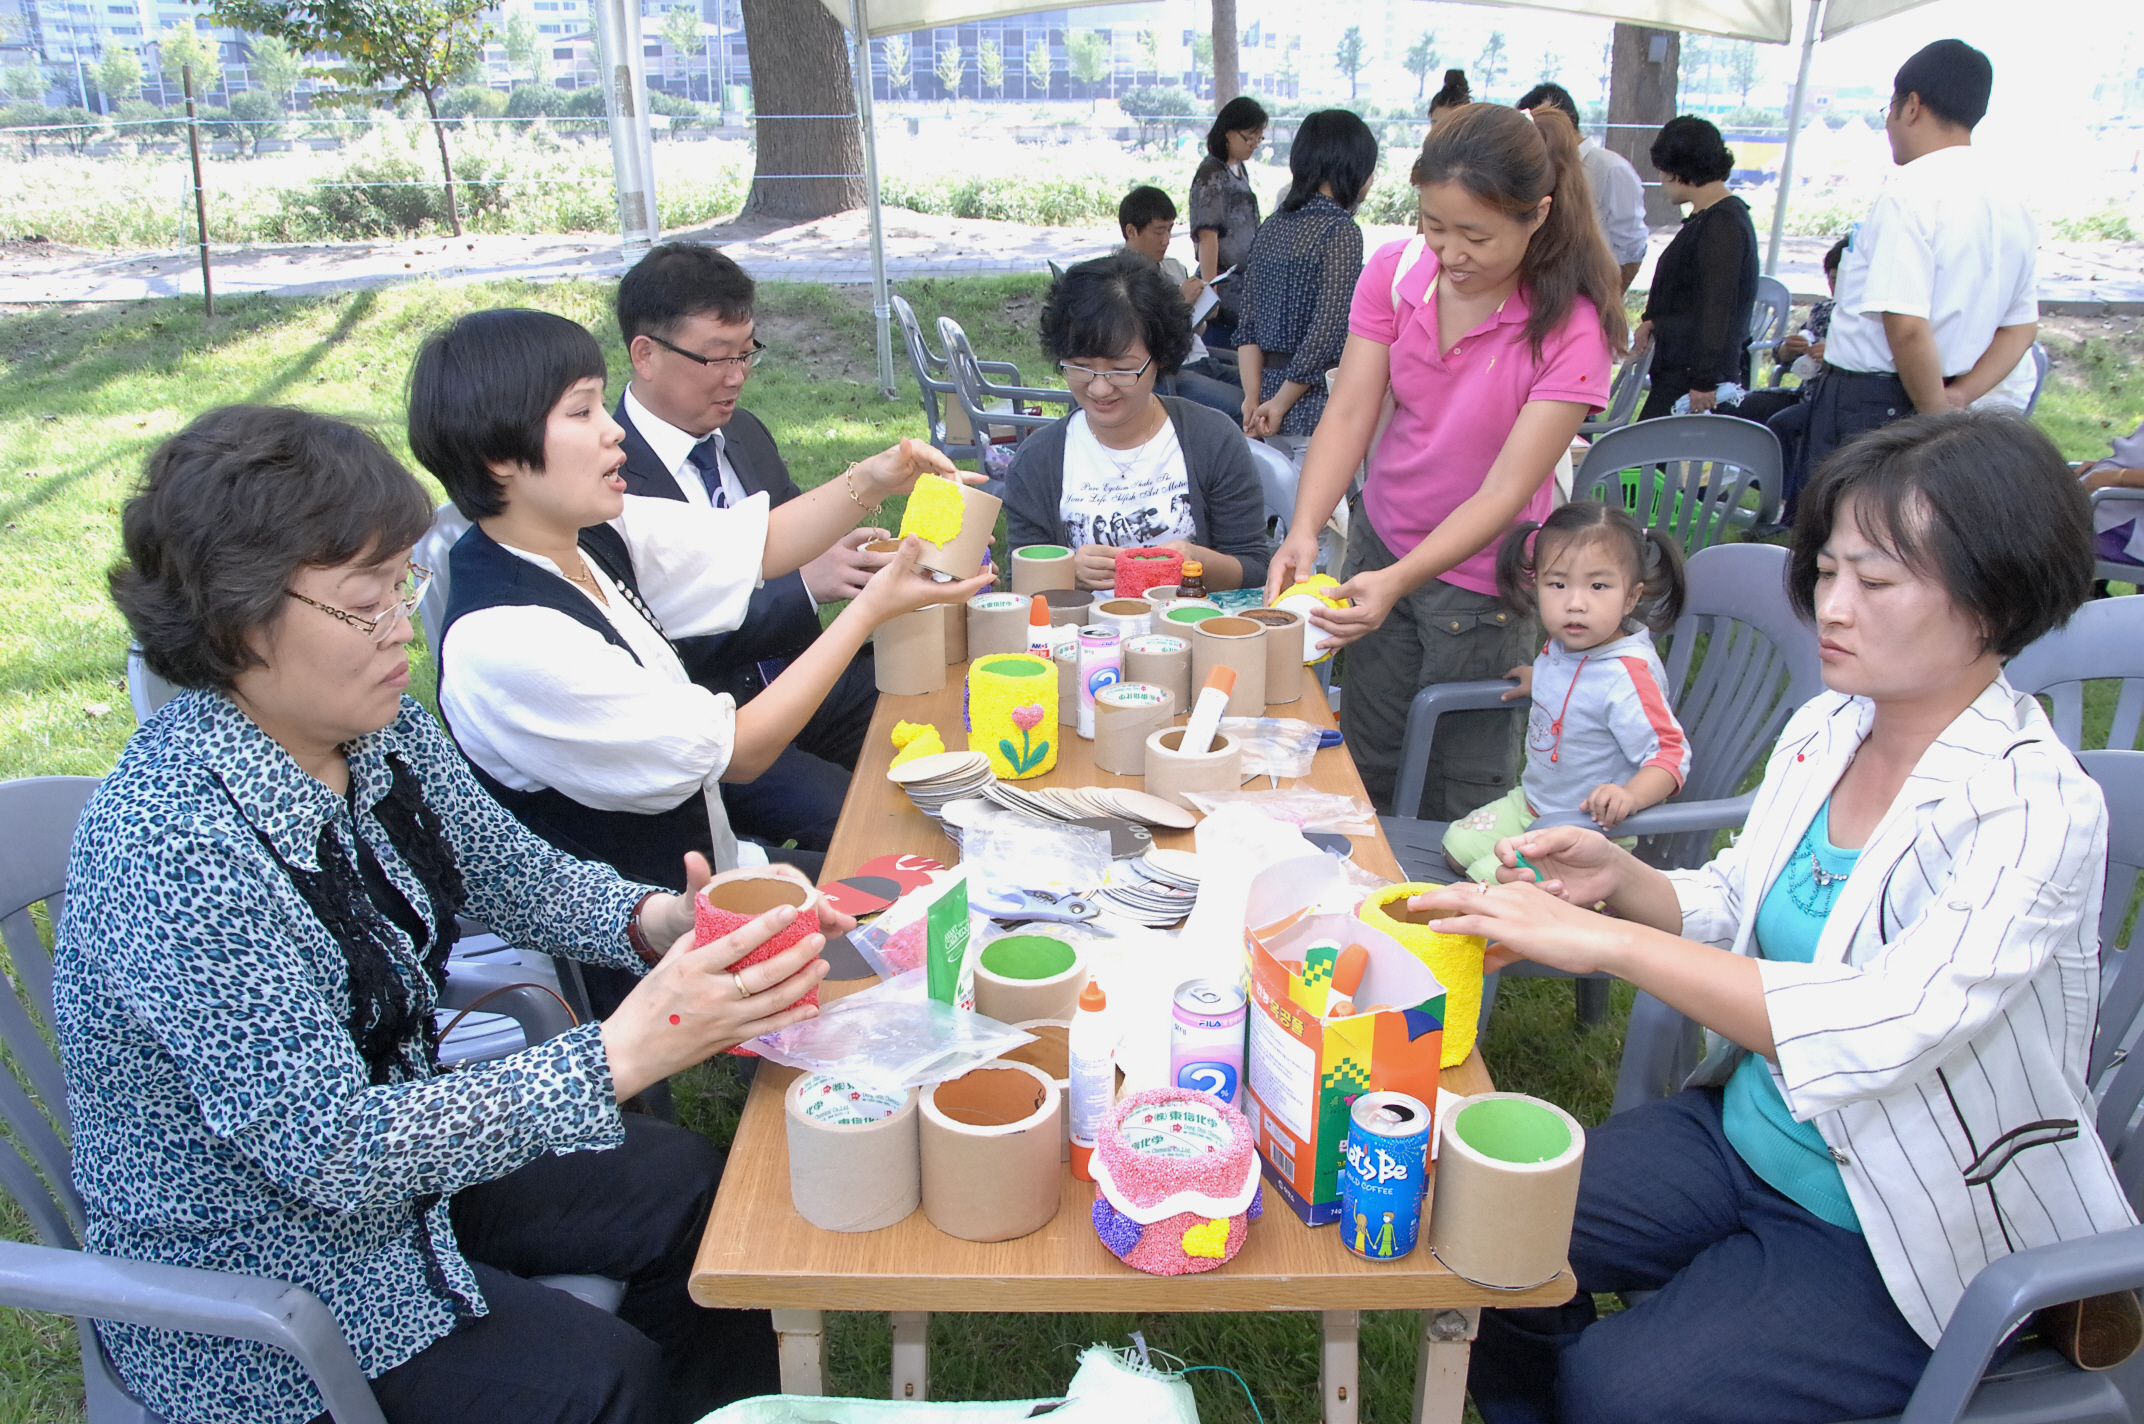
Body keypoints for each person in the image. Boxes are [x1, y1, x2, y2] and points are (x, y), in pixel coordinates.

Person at [66, 402, 841, 1424]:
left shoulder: (372, 731)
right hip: (264, 1276)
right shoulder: (179, 852)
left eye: (403, 583)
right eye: (364, 600)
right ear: (234, 616)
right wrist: (618, 1051)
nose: (401, 626)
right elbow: (328, 1152)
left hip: (405, 1172)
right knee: (597, 1379)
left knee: (692, 1187)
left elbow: (510, 872)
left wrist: (658, 919)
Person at [1422, 411, 2136, 1424]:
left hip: (1896, 1220)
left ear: (1996, 595)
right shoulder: (1829, 725)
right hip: (1746, 1134)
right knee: (1482, 1223)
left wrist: (1611, 941)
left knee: (1624, 1385)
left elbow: (1884, 1021)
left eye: (1875, 582)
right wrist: (1620, 877)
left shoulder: (2032, 808)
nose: (1831, 607)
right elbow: (1738, 899)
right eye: (1828, 570)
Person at [409, 309, 988, 1011]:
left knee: (950, 896)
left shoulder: (582, 531)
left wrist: (875, 476)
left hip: (726, 873)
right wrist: (869, 608)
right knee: (925, 964)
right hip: (655, 948)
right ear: (500, 454)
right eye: (583, 411)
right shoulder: (506, 639)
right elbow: (740, 751)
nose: (613, 427)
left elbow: (756, 544)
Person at [1266, 102, 1624, 821]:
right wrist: (1306, 527)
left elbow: (1505, 493)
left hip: (1482, 588)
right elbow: (1351, 411)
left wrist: (1399, 581)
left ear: (1538, 215)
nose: (1450, 252)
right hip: (1381, 542)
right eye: (1433, 226)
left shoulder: (1569, 327)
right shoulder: (1397, 275)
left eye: (1476, 235)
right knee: (1369, 751)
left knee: (1461, 784)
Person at [609, 242, 883, 858]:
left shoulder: (744, 433)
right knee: (859, 815)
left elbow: (798, 540)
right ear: (645, 355)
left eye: (746, 352)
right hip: (719, 723)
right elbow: (666, 638)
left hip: (801, 676)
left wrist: (854, 557)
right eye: (714, 358)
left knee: (936, 709)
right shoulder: (608, 476)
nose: (736, 376)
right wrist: (808, 585)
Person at [1785, 38, 2038, 518]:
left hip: (1874, 399)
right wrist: (1959, 396)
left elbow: (1905, 324)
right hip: (1945, 389)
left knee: (1845, 538)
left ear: (1912, 105)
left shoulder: (1910, 192)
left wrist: (1932, 413)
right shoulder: (2011, 203)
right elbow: (2021, 328)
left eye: (1890, 107)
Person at [1442, 501, 1690, 884]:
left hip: (1586, 832)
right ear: (1536, 584)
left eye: (1598, 586)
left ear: (1630, 597)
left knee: (1489, 882)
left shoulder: (1627, 676)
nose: (1575, 603)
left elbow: (1671, 755)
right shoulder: (1563, 647)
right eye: (1557, 584)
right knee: (1455, 849)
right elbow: (1573, 686)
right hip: (1532, 805)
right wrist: (1538, 679)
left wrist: (1630, 796)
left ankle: (1597, 898)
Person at [1002, 253, 1269, 593]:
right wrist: (1064, 571)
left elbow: (1255, 570)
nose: (1100, 387)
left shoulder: (1212, 439)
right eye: (1080, 367)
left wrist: (1192, 561)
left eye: (1122, 370)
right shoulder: (1038, 461)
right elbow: (1017, 586)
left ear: (1160, 359)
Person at [1236, 108, 1379, 450]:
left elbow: (1248, 326)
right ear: (1354, 166)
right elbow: (1328, 332)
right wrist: (1283, 402)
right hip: (1315, 407)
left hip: (1264, 407)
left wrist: (1253, 398)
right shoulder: (1341, 230)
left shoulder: (1273, 225)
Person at [1633, 116, 1758, 420]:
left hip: (1694, 382)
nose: (1663, 183)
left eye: (1663, 173)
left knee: (1648, 462)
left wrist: (1705, 379)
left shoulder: (1722, 224)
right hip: (1682, 371)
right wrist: (1655, 320)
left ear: (1679, 169)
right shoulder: (1710, 218)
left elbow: (1718, 304)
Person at [1115, 185, 1244, 417]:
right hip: (1173, 371)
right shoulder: (1121, 279)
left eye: (1170, 230)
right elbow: (1141, 339)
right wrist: (1181, 302)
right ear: (1132, 231)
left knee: (1266, 390)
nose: (1165, 240)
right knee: (1243, 406)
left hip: (1201, 357)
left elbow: (1196, 330)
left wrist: (1204, 309)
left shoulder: (1173, 267)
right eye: (1158, 232)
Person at [1516, 81, 1648, 290]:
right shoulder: (1542, 167)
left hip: (1592, 290)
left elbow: (1632, 247)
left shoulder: (1610, 167)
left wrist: (1607, 302)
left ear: (1564, 121)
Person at [1188, 94, 1269, 349]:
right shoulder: (1212, 173)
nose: (1254, 144)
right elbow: (1208, 236)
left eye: (1259, 138)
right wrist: (1212, 289)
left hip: (1244, 284)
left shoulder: (1238, 168)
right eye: (1249, 137)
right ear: (1228, 133)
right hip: (1224, 282)